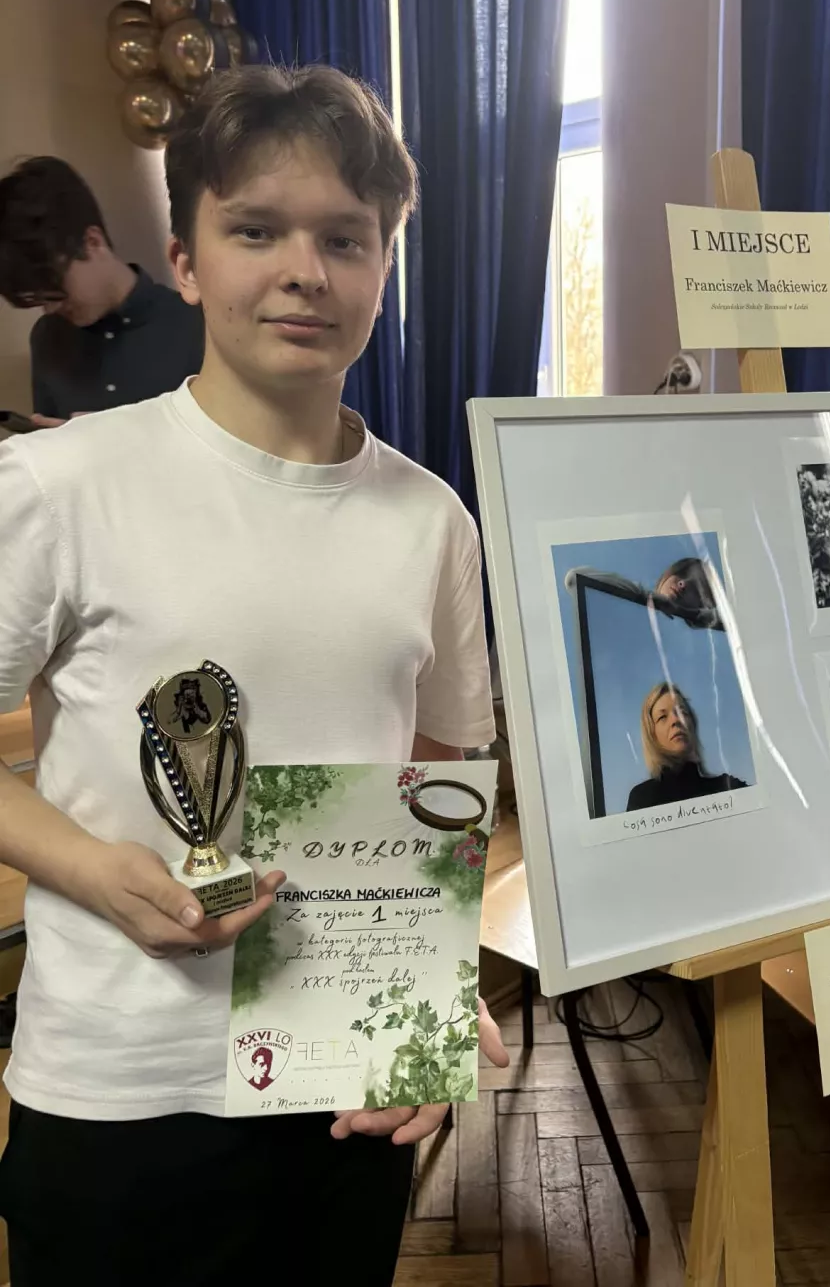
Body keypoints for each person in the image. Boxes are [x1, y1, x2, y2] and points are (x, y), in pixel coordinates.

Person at [0, 64, 508, 1286]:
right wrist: (89, 867)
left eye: (347, 237)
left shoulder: (432, 518)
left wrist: (428, 1001)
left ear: (385, 264)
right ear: (185, 258)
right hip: (118, 1084)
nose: (304, 270)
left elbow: (438, 776)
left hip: (339, 1078)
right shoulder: (64, 484)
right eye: (256, 229)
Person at [0, 156, 204, 422]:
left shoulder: (197, 322)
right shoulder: (47, 338)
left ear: (92, 241)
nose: (50, 309)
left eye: (55, 289)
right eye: (40, 298)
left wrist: (117, 439)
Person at [626, 682, 746, 810]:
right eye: (662, 717)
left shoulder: (727, 788)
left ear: (693, 725)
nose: (676, 720)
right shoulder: (642, 798)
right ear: (652, 735)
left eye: (682, 712)